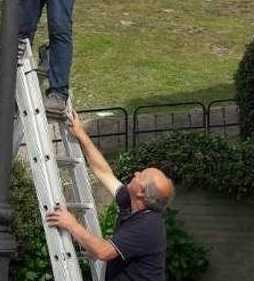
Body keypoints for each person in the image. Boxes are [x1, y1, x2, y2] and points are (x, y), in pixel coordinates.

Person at [47, 110, 175, 281]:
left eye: (141, 175)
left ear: (141, 192)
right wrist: (81, 133)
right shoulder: (131, 202)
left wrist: (71, 224)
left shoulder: (148, 225)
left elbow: (104, 251)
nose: (136, 173)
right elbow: (104, 172)